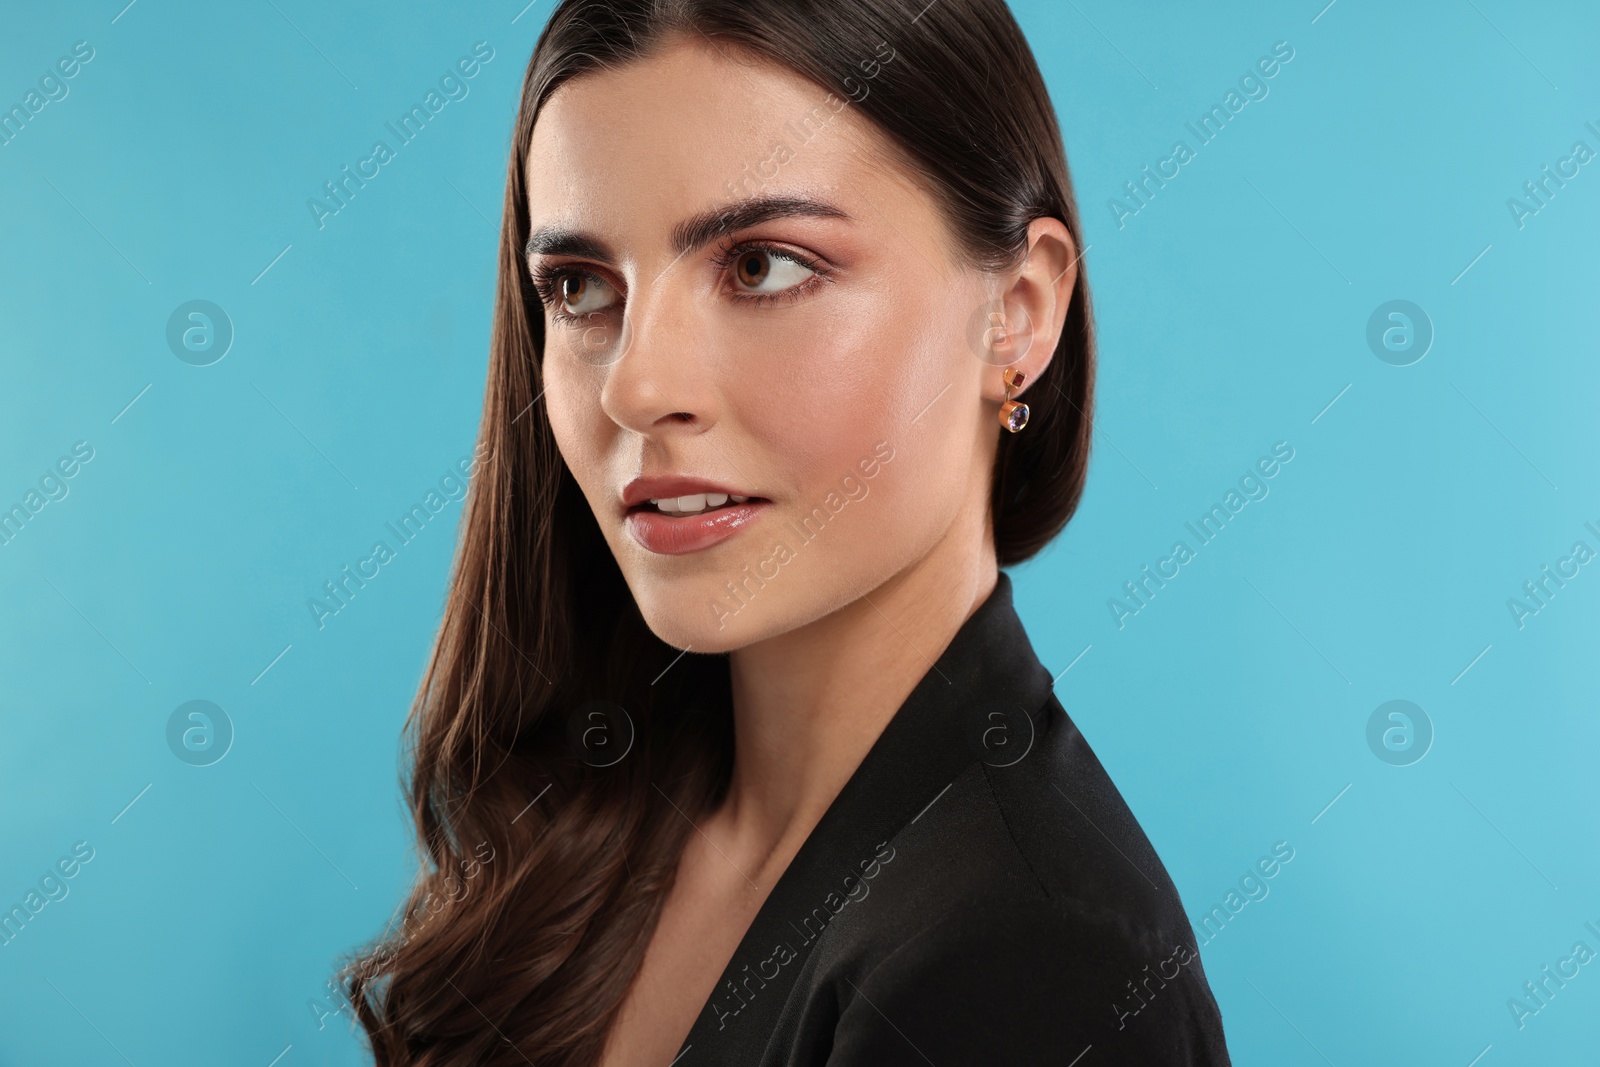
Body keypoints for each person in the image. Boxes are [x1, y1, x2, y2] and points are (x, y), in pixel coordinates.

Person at [340, 1, 1232, 1063]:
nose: (635, 384)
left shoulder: (1031, 964)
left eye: (762, 265)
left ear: (1019, 312)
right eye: (580, 288)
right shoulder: (596, 826)